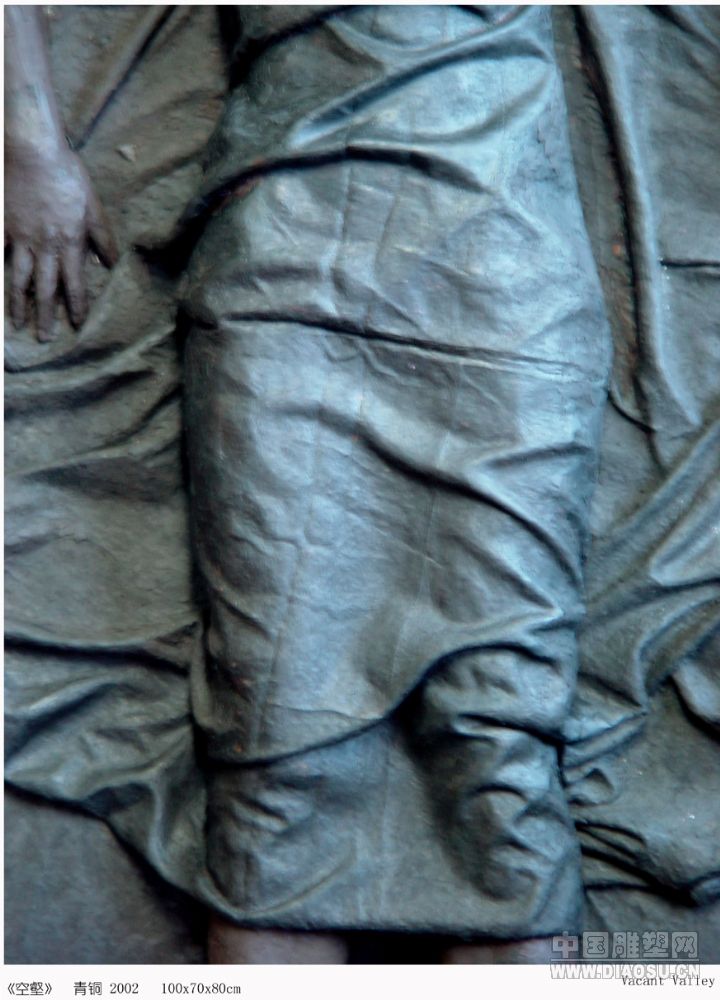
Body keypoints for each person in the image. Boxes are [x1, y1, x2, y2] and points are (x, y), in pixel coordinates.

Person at [6, 4, 719, 966]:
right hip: (291, 270)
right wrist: (31, 149)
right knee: (277, 756)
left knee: (499, 751)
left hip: (503, 269)